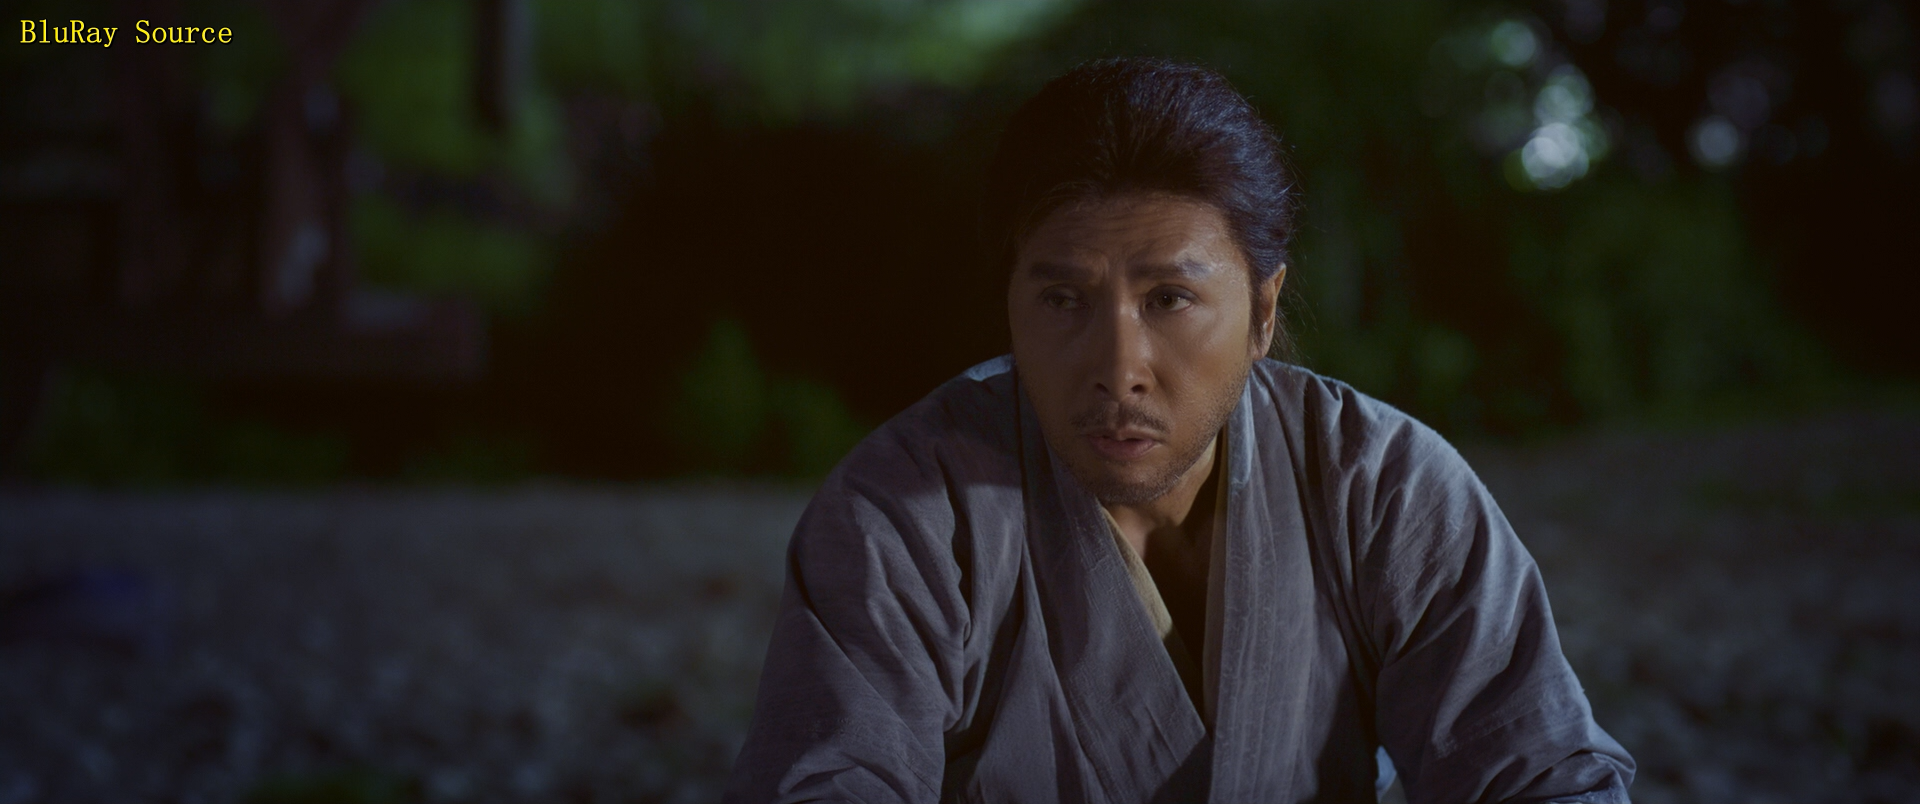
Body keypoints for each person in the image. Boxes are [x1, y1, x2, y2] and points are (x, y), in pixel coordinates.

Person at [724, 57, 1634, 803]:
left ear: (1263, 311)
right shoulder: (906, 513)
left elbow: (1543, 776)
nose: (1119, 366)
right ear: (1009, 303)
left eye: (1170, 299)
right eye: (1063, 299)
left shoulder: (1383, 485)